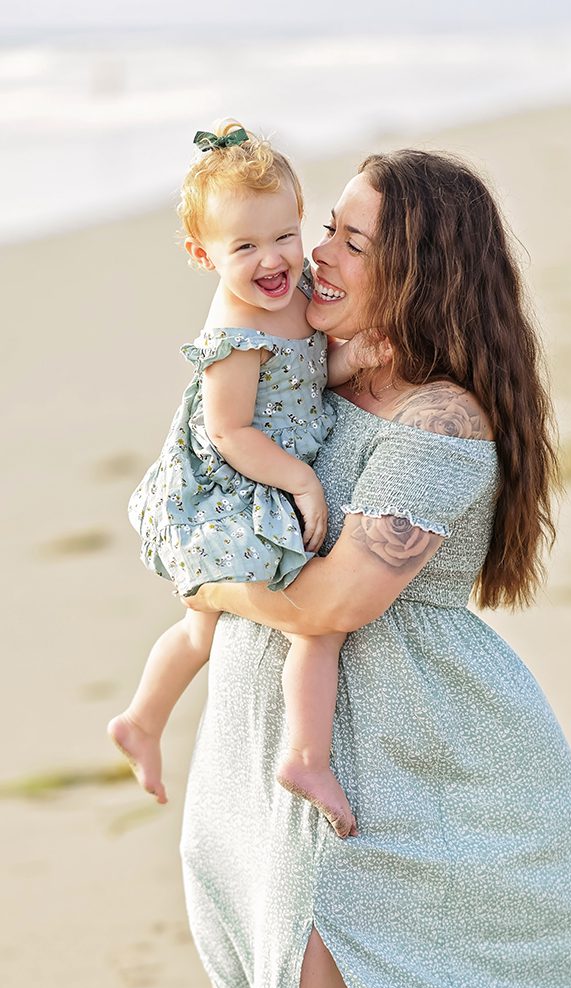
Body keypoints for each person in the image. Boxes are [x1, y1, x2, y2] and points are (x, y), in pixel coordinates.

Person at [180, 149, 571, 988]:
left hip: (412, 755)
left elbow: (337, 599)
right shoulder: (307, 385)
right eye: (327, 227)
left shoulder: (440, 420)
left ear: (417, 272)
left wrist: (204, 582)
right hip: (261, 744)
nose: (319, 254)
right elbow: (196, 471)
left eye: (353, 242)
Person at [108, 121, 367, 837]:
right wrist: (302, 485)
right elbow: (230, 433)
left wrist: (354, 361)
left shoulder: (296, 286)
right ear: (202, 255)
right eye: (243, 247)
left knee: (202, 627)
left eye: (284, 235)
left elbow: (311, 375)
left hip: (274, 460)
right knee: (312, 622)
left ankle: (138, 719)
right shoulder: (233, 333)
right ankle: (304, 757)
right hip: (239, 481)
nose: (272, 260)